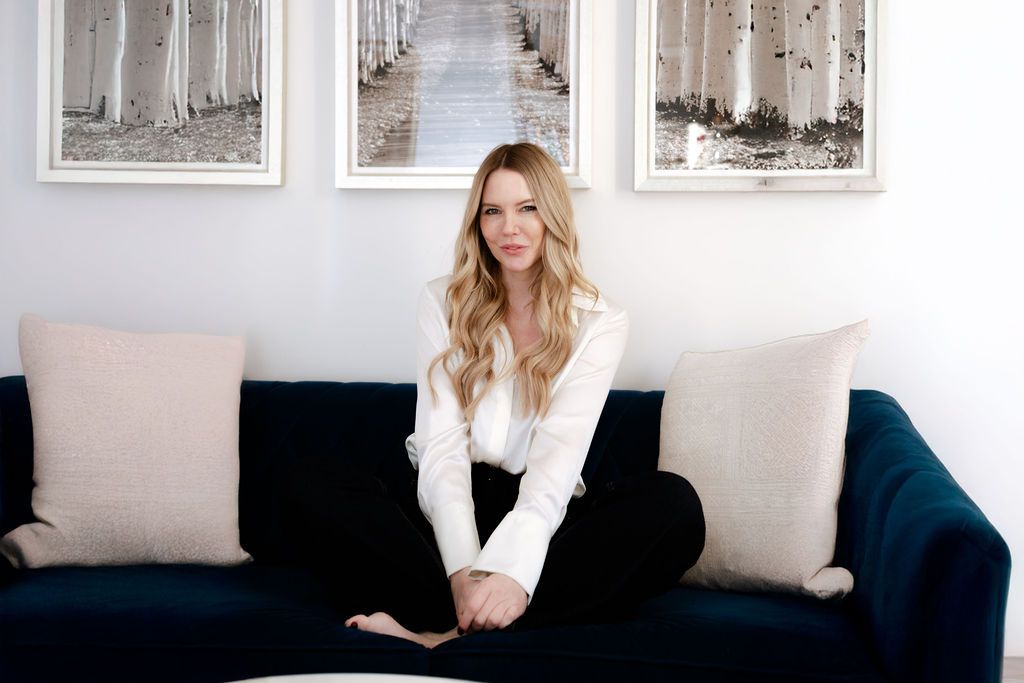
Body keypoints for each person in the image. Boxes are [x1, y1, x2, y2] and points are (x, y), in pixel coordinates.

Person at [285, 142, 704, 648]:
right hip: (444, 509)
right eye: (493, 211)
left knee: (673, 506)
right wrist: (464, 570)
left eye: (528, 208)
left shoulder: (600, 320)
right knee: (309, 482)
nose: (510, 228)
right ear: (477, 223)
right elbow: (440, 447)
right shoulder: (442, 301)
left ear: (552, 214)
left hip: (536, 515)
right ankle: (481, 623)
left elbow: (557, 461)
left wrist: (512, 572)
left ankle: (439, 636)